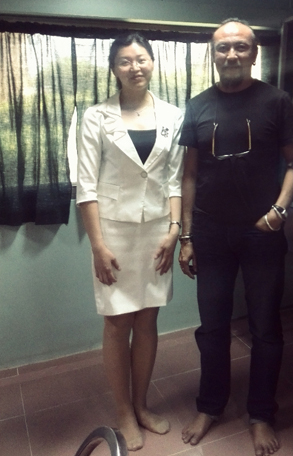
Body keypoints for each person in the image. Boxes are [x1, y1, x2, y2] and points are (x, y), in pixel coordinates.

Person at [178, 18, 293, 456]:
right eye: (223, 47)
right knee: (212, 326)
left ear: (254, 53)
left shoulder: (276, 101)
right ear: (213, 54)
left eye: (240, 47)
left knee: (265, 326)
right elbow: (189, 175)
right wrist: (186, 235)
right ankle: (210, 405)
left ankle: (261, 413)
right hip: (210, 231)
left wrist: (279, 211)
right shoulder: (197, 106)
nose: (231, 54)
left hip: (260, 231)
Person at [76, 33, 184, 451]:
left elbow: (174, 180)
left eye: (141, 59)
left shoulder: (173, 115)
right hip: (114, 234)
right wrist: (97, 246)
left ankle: (141, 405)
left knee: (148, 319)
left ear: (152, 62)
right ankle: (123, 411)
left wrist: (174, 230)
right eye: (125, 61)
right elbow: (86, 187)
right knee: (118, 322)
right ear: (114, 69)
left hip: (157, 231)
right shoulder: (96, 117)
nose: (134, 67)